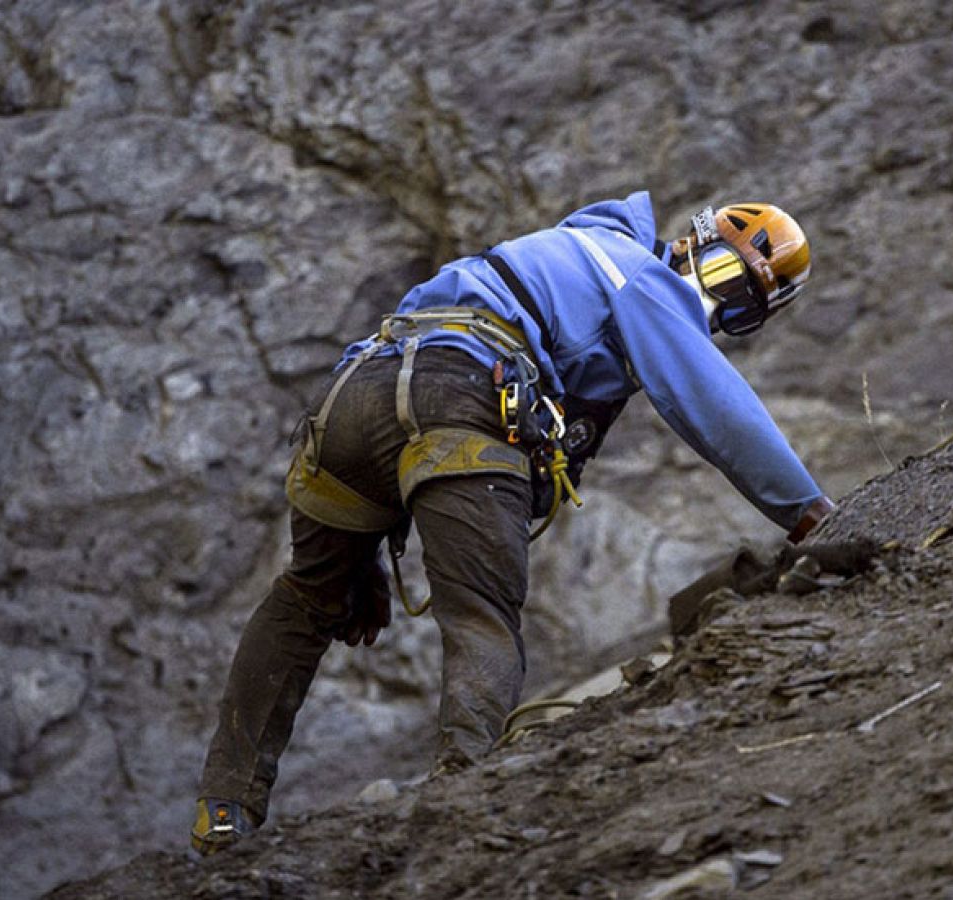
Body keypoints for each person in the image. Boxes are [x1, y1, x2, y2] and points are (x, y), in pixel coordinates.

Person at [190, 191, 836, 854]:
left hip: (356, 393)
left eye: (741, 310)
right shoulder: (639, 274)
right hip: (465, 389)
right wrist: (809, 513)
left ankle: (224, 807)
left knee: (308, 596)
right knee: (483, 619)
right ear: (690, 245)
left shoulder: (560, 264)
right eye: (724, 277)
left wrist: (365, 548)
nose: (714, 305)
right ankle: (459, 802)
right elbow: (713, 402)